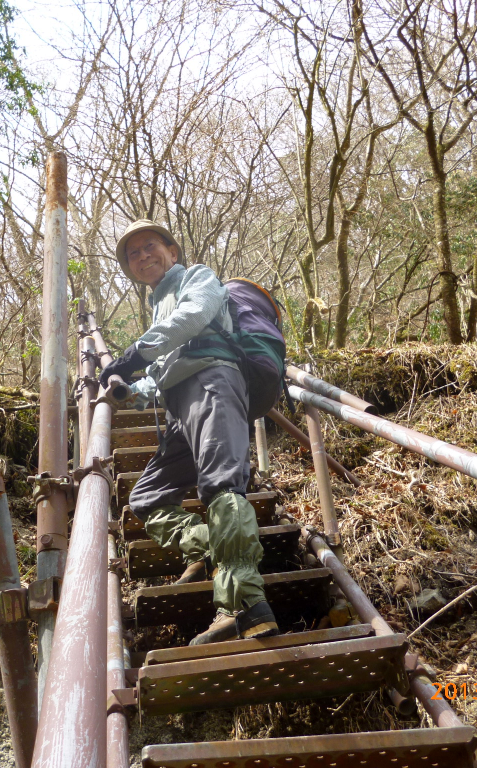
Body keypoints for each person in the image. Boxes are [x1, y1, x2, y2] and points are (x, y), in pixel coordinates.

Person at [99, 219, 278, 645]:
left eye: (149, 247)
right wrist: (127, 390)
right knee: (146, 497)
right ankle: (209, 548)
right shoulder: (159, 310)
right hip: (183, 405)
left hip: (214, 384)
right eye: (133, 254)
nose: (142, 256)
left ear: (172, 252)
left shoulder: (198, 278)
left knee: (220, 486)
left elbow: (194, 317)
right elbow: (160, 377)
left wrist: (131, 354)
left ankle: (244, 607)